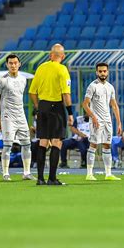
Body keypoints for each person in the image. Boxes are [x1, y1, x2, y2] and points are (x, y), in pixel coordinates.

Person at [29, 43, 73, 186]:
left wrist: (38, 106)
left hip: (42, 106)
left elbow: (32, 92)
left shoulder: (41, 68)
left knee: (42, 141)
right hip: (56, 107)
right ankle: (52, 178)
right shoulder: (62, 69)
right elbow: (66, 94)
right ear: (63, 56)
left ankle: (40, 179)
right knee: (56, 142)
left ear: (50, 55)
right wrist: (70, 112)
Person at [0, 54, 35, 181]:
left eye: (15, 63)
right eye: (10, 63)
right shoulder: (1, 80)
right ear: (7, 65)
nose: (13, 65)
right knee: (7, 146)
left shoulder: (23, 79)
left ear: (19, 64)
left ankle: (26, 173)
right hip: (7, 117)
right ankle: (5, 173)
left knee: (27, 144)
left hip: (21, 115)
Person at [82, 62, 122, 181]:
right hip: (96, 121)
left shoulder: (110, 87)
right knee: (93, 145)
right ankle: (89, 174)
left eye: (104, 71)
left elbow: (114, 106)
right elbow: (85, 104)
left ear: (108, 72)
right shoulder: (92, 86)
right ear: (96, 72)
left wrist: (119, 123)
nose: (102, 73)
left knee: (107, 145)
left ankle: (108, 174)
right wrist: (93, 117)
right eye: (100, 71)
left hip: (107, 121)